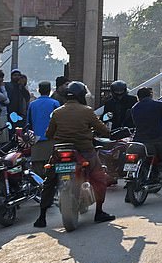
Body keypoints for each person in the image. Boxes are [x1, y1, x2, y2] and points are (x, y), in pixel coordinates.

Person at [34, 81, 114, 227]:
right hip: (84, 150)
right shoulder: (87, 111)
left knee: (49, 182)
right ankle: (99, 212)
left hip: (60, 151)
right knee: (99, 178)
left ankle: (41, 217)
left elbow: (49, 133)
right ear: (81, 95)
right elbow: (103, 130)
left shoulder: (57, 112)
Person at [26, 81, 60, 177]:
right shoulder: (55, 103)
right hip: (52, 140)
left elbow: (29, 123)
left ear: (39, 90)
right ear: (49, 90)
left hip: (36, 140)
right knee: (53, 167)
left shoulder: (32, 104)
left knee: (37, 171)